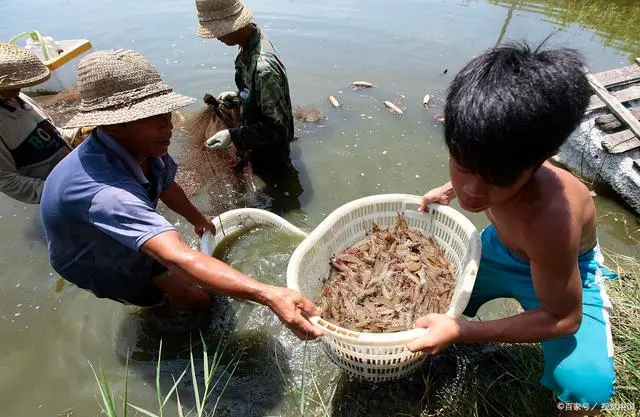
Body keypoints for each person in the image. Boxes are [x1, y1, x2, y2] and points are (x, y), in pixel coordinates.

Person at [40, 49, 322, 341]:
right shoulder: (107, 194)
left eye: (166, 112)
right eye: (153, 117)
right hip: (94, 256)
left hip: (110, 230)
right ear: (115, 124)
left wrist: (197, 218)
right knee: (192, 299)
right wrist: (268, 294)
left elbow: (165, 185)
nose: (169, 125)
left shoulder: (146, 149)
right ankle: (153, 318)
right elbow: (178, 257)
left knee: (191, 289)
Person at [407, 43, 616, 413]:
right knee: (419, 300)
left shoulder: (551, 221)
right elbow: (478, 173)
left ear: (541, 160)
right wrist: (447, 189)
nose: (472, 193)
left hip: (564, 269)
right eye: (461, 164)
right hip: (501, 248)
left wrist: (466, 332)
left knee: (586, 388)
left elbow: (564, 319)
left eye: (494, 179)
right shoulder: (487, 152)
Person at [195, 0, 303, 214]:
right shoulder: (247, 46)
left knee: (279, 205)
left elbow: (277, 130)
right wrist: (238, 98)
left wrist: (233, 136)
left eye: (219, 32)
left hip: (271, 152)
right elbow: (260, 96)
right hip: (255, 142)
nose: (217, 37)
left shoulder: (263, 67)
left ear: (234, 25)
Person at [0, 42, 72, 204]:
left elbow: (50, 134)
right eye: (8, 86)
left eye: (20, 84)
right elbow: (7, 180)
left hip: (73, 173)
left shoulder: (21, 98)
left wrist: (78, 132)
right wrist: (58, 192)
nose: (19, 89)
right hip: (58, 195)